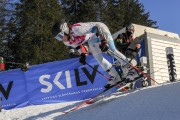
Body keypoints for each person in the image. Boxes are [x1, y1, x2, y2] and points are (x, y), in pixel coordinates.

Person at [52, 22, 139, 88]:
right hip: (91, 37)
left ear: (65, 30)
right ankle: (115, 76)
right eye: (57, 38)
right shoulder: (67, 42)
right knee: (97, 57)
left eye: (60, 36)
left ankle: (132, 70)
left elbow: (96, 27)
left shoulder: (77, 29)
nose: (60, 39)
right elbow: (77, 45)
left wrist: (104, 41)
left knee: (111, 50)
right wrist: (82, 54)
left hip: (100, 29)